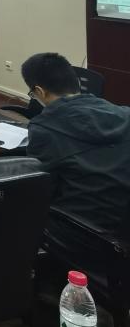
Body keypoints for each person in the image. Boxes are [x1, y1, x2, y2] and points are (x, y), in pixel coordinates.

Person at [22, 53, 130, 247]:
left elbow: (42, 190)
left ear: (39, 91)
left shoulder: (45, 128)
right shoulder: (125, 114)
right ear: (77, 82)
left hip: (83, 232)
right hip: (122, 229)